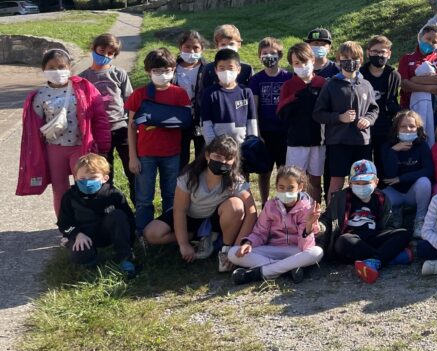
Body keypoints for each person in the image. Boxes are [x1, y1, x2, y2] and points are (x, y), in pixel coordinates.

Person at [142, 135, 258, 273]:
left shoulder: (236, 180)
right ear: (207, 155)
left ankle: (225, 249)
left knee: (236, 205)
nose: (223, 162)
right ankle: (195, 237)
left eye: (228, 158)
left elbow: (252, 212)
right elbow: (180, 210)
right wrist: (184, 244)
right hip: (190, 216)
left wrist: (237, 247)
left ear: (234, 161)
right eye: (218, 156)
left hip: (214, 219)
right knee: (151, 233)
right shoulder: (190, 176)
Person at [18, 48, 111, 216]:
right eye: (51, 67)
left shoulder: (83, 88)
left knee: (85, 186)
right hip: (54, 149)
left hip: (81, 147)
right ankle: (65, 224)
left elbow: (100, 118)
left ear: (69, 67)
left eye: (61, 66)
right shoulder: (39, 96)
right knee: (59, 189)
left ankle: (87, 222)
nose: (57, 71)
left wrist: (103, 146)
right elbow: (34, 128)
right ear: (44, 70)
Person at [125, 48, 192, 230]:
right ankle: (143, 233)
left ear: (173, 70)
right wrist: (133, 156)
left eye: (167, 70)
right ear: (148, 71)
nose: (162, 74)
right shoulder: (139, 94)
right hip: (145, 154)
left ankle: (167, 231)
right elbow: (131, 127)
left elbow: (186, 121)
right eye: (157, 71)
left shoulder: (180, 94)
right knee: (144, 197)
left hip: (172, 154)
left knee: (170, 195)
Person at [229, 165, 324, 284]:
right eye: (281, 187)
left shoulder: (307, 209)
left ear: (300, 187)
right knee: (233, 252)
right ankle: (287, 269)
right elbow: (260, 233)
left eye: (290, 188)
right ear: (276, 187)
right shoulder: (270, 206)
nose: (285, 192)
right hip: (273, 249)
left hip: (295, 251)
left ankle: (261, 272)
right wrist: (249, 243)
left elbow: (306, 248)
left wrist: (309, 225)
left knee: (316, 252)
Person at [324, 159, 413, 283]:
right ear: (350, 183)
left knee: (404, 233)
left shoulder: (381, 198)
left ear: (376, 182)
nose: (361, 186)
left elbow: (388, 223)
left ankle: (374, 261)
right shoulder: (341, 198)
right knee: (343, 242)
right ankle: (385, 258)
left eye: (366, 182)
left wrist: (389, 236)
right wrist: (317, 228)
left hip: (374, 237)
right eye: (357, 183)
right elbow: (327, 220)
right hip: (352, 240)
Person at [313, 41, 379, 198]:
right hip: (338, 142)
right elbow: (318, 113)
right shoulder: (330, 85)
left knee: (362, 180)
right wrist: (339, 117)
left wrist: (368, 120)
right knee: (337, 181)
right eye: (345, 58)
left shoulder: (366, 84)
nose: (350, 61)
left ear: (361, 61)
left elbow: (374, 109)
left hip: (362, 141)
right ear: (338, 60)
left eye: (354, 58)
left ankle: (360, 210)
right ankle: (332, 212)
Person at [58, 154, 136, 276]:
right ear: (75, 177)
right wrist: (76, 234)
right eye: (82, 178)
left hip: (106, 232)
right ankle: (90, 259)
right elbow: (64, 223)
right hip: (83, 234)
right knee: (80, 256)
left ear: (105, 178)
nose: (87, 182)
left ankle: (125, 257)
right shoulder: (69, 197)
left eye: (93, 177)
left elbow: (129, 220)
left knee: (118, 215)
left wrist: (131, 242)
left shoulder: (113, 194)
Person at [81, 33, 135, 204]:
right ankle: (107, 206)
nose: (105, 55)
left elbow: (130, 100)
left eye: (110, 53)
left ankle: (138, 208)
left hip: (122, 128)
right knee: (104, 173)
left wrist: (132, 125)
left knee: (133, 171)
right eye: (101, 50)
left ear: (114, 55)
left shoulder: (119, 74)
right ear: (93, 49)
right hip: (98, 132)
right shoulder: (84, 78)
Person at [277, 43, 327, 203]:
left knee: (315, 181)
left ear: (312, 60)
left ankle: (315, 211)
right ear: (292, 65)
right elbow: (281, 112)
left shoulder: (323, 83)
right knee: (294, 180)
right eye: (296, 63)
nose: (301, 66)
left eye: (304, 61)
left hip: (318, 141)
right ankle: (295, 212)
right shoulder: (289, 86)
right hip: (296, 142)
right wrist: (295, 97)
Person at [249, 37, 291, 204]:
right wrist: (257, 133)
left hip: (284, 132)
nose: (268, 56)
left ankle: (283, 203)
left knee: (284, 171)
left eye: (272, 53)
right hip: (265, 132)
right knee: (264, 172)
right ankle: (265, 204)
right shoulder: (256, 80)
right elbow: (254, 109)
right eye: (264, 53)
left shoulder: (288, 77)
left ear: (279, 55)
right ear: (259, 56)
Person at [379, 110, 434, 238]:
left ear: (417, 129)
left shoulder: (422, 146)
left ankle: (420, 220)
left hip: (413, 193)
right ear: (396, 129)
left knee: (424, 182)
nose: (408, 129)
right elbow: (389, 174)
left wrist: (401, 178)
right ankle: (396, 212)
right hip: (394, 192)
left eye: (412, 126)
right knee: (379, 197)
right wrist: (393, 151)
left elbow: (428, 170)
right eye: (403, 126)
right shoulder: (387, 147)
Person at [398, 24, 437, 146]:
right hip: (409, 110)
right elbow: (404, 84)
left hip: (435, 110)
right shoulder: (406, 58)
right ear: (420, 37)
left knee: (433, 143)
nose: (430, 43)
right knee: (413, 144)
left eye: (434, 42)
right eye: (428, 39)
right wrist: (430, 88)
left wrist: (415, 79)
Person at [199, 48, 258, 144]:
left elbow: (251, 121)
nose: (226, 72)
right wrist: (213, 146)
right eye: (222, 68)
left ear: (238, 69)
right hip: (218, 148)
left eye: (230, 68)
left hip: (243, 146)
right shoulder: (209, 93)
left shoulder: (246, 92)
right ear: (216, 70)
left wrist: (252, 144)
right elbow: (206, 123)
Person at [361, 35, 402, 166]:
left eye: (382, 52)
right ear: (368, 53)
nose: (379, 55)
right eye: (375, 51)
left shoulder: (394, 75)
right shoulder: (360, 74)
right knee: (364, 162)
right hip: (364, 125)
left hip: (385, 125)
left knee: (383, 162)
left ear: (389, 54)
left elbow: (394, 99)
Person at [174, 30, 207, 166]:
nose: (191, 51)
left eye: (195, 47)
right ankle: (181, 179)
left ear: (202, 49)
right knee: (181, 158)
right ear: (180, 47)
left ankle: (198, 178)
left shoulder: (208, 69)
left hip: (201, 120)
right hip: (178, 120)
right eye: (187, 47)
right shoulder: (172, 68)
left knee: (202, 158)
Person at [195, 24, 253, 98]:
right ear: (217, 46)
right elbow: (202, 94)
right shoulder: (208, 69)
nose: (227, 47)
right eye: (223, 44)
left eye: (231, 44)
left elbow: (252, 93)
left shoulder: (247, 69)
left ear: (239, 44)